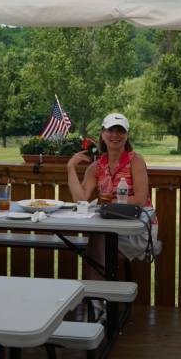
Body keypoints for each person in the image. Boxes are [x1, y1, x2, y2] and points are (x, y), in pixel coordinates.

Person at [67, 113, 160, 282]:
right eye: (110, 130)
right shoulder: (97, 166)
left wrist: (110, 203)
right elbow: (81, 200)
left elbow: (139, 199)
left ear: (127, 135)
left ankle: (97, 298)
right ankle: (99, 299)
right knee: (99, 238)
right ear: (102, 134)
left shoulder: (136, 161)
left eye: (120, 131)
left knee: (98, 241)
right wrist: (70, 168)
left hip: (138, 229)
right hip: (110, 227)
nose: (115, 135)